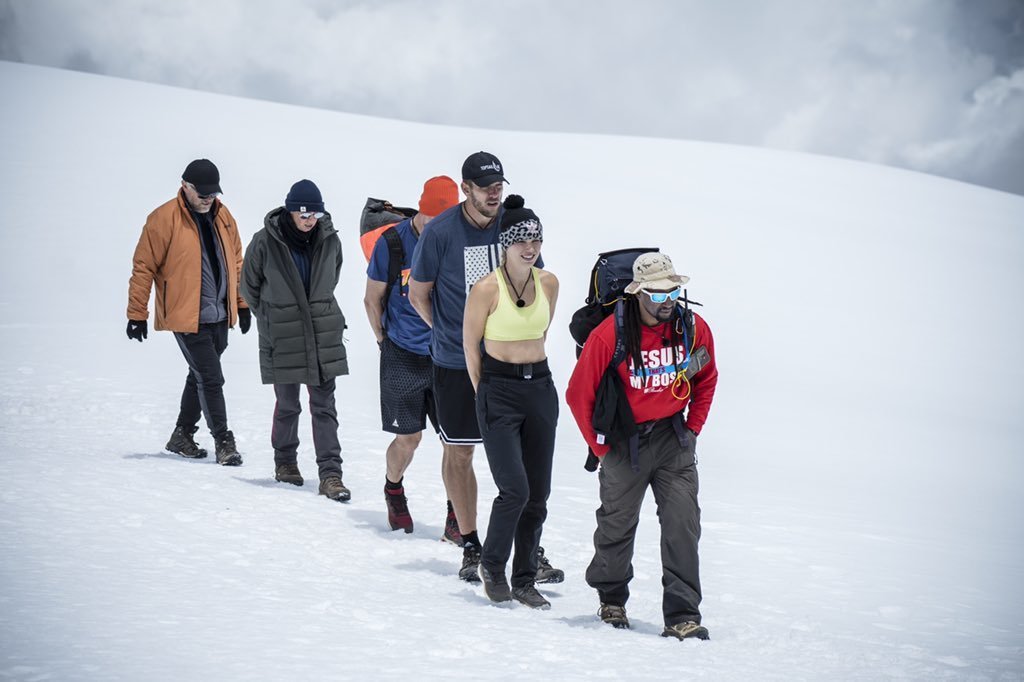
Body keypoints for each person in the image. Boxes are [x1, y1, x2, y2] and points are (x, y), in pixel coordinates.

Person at [565, 252, 719, 640]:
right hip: (623, 440)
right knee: (617, 524)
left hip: (673, 438)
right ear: (637, 293)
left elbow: (707, 379)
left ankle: (683, 615)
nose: (667, 300)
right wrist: (600, 448)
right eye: (656, 293)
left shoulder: (693, 328)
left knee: (683, 524)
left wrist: (693, 428)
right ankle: (612, 598)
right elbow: (577, 394)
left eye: (673, 291)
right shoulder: (610, 335)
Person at [463, 195, 560, 609]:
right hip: (498, 390)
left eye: (535, 238)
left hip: (539, 386)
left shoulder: (549, 283)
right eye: (521, 239)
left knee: (538, 493)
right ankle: (493, 565)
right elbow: (471, 345)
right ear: (506, 242)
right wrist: (485, 393)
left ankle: (524, 579)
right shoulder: (486, 287)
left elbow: (542, 331)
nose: (530, 247)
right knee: (514, 489)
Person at [126, 158, 249, 466]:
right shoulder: (163, 219)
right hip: (185, 315)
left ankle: (182, 434)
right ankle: (224, 441)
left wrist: (242, 304)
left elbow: (237, 262)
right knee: (211, 376)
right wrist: (136, 313)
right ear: (185, 186)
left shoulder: (224, 217)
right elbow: (143, 267)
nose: (208, 198)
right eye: (202, 192)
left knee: (200, 376)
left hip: (219, 314)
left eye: (213, 193)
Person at [240, 179, 351, 502]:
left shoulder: (330, 241)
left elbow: (333, 277)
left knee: (324, 406)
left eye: (314, 214)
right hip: (283, 332)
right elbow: (249, 287)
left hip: (322, 331)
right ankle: (285, 462)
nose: (308, 220)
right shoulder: (264, 241)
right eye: (303, 214)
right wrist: (273, 316)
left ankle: (331, 474)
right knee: (288, 405)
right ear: (290, 211)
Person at [363, 176, 460, 533]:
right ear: (422, 210)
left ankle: (456, 516)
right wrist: (382, 341)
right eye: (433, 218)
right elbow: (372, 299)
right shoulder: (393, 242)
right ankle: (393, 488)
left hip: (446, 356)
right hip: (402, 352)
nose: (438, 227)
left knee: (456, 442)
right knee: (409, 439)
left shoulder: (454, 240)